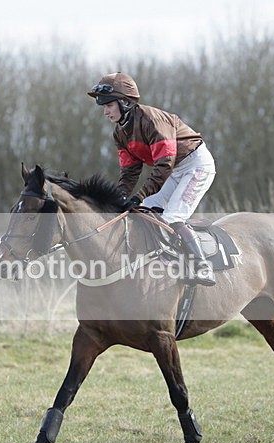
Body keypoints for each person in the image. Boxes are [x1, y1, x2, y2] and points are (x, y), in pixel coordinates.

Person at [87, 72, 216, 286]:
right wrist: (119, 199)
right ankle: (160, 261)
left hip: (196, 165)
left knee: (172, 217)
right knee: (144, 212)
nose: (106, 112)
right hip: (174, 171)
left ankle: (203, 266)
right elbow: (129, 172)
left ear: (125, 102)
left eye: (109, 106)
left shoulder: (152, 120)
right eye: (103, 107)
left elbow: (164, 164)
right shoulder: (120, 133)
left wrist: (139, 195)